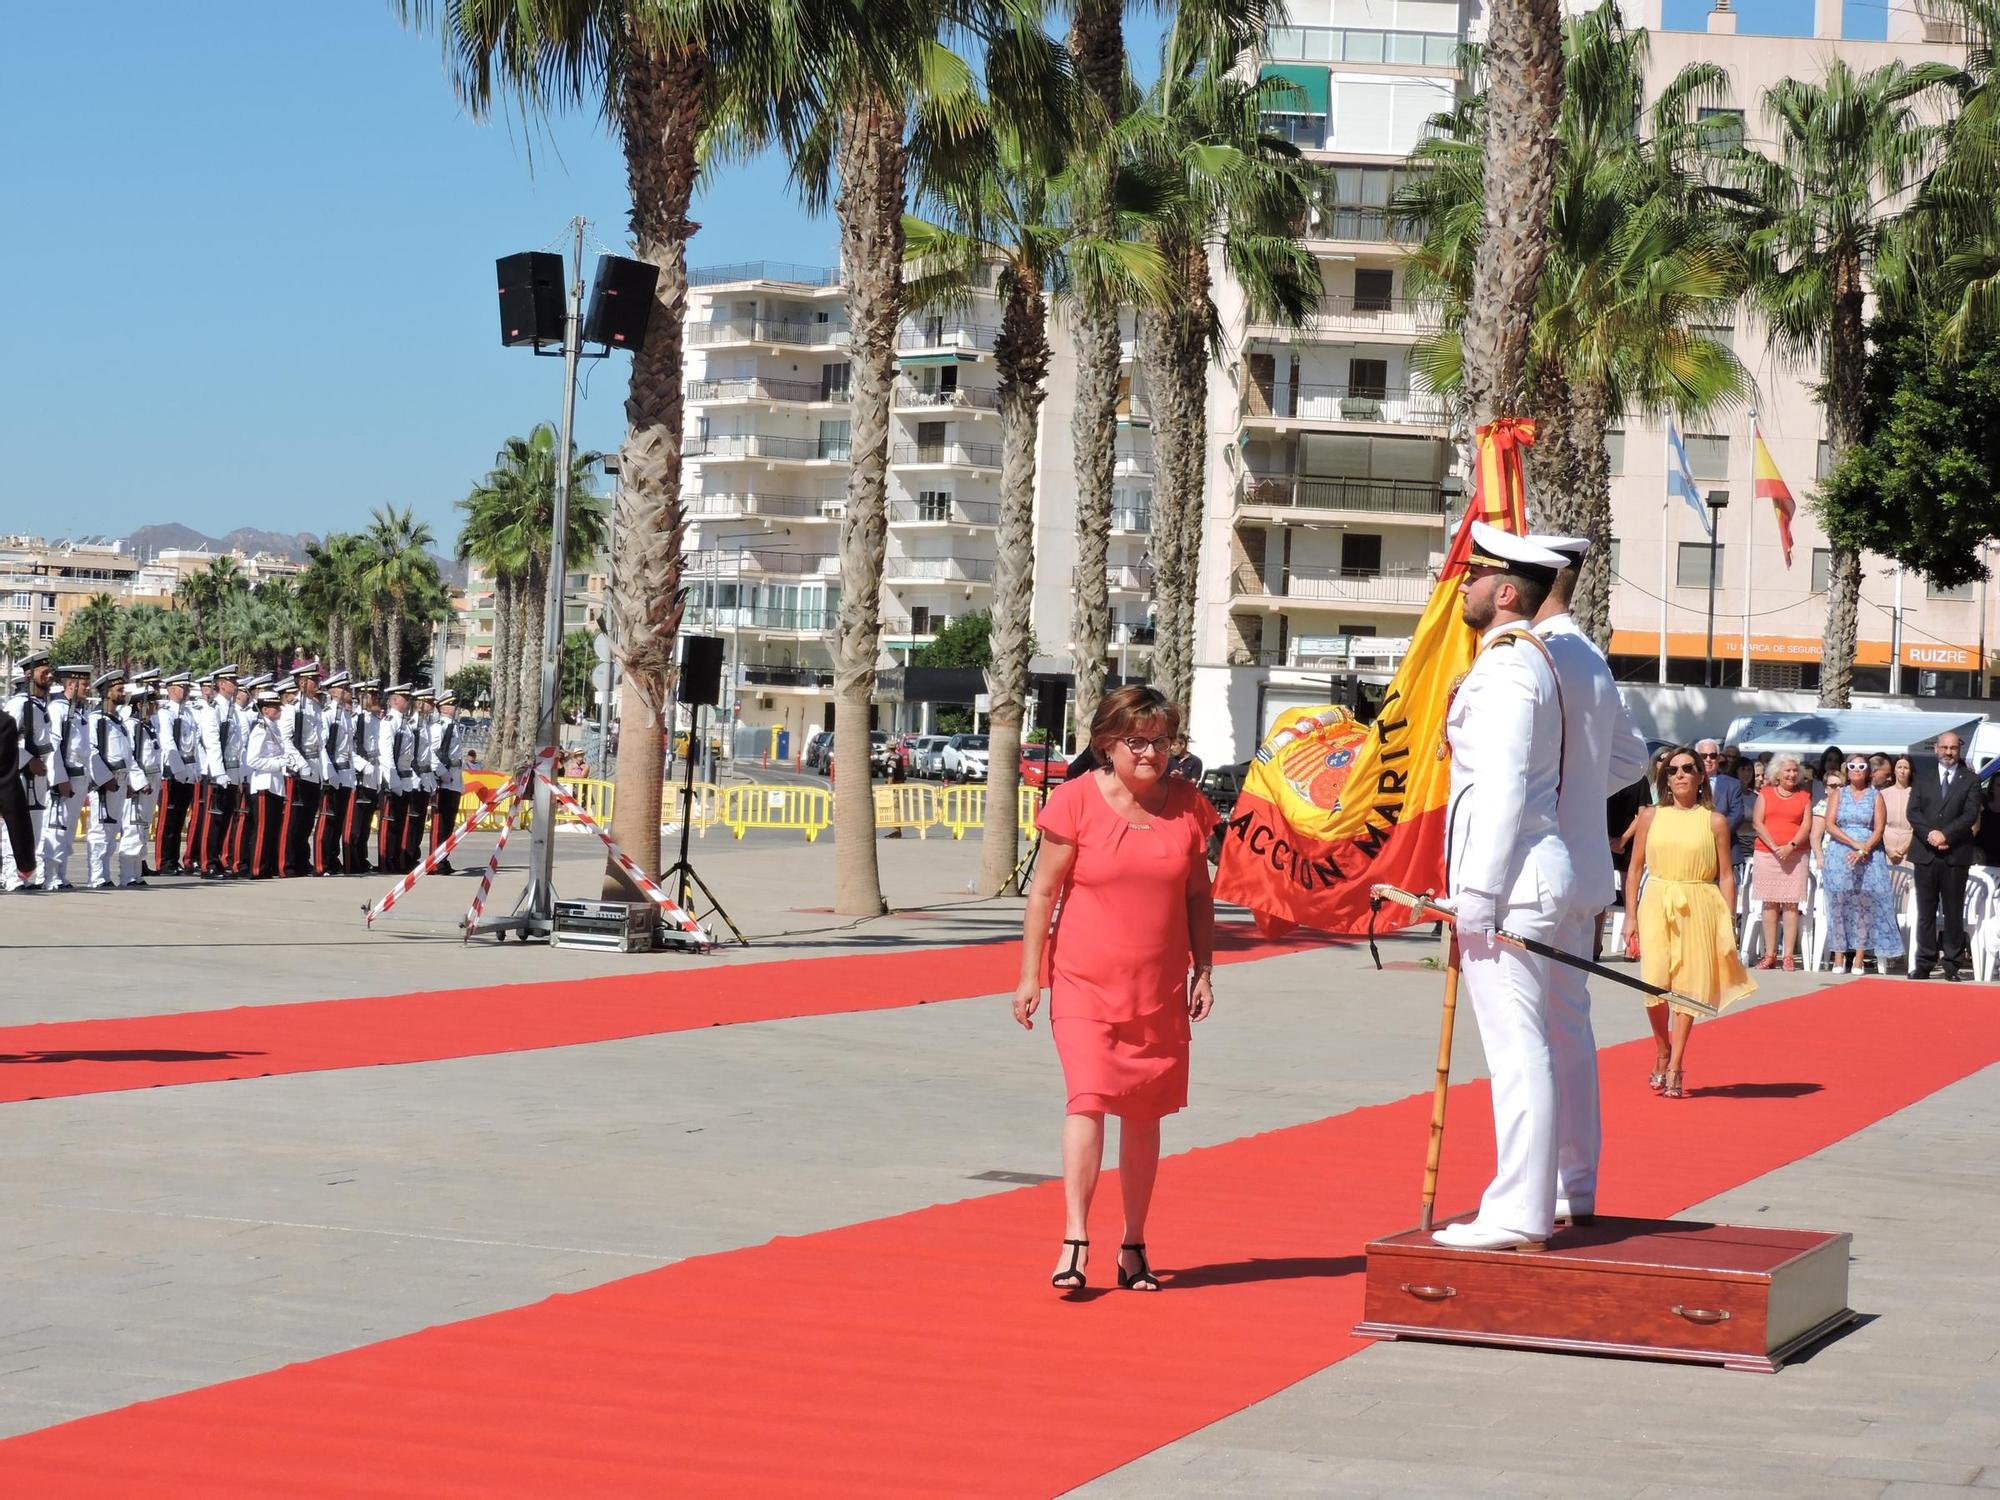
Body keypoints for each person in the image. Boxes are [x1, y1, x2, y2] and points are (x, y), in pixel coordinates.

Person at [1013, 684, 1218, 1294]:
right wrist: (1031, 974)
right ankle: (1075, 1239)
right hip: (1082, 982)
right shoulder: (1074, 801)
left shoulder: (1188, 805)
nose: (1151, 752)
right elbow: (1044, 894)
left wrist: (1203, 969)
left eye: (1161, 741)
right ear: (1108, 743)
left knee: (1145, 1112)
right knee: (1089, 1098)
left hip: (1158, 988)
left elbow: (1198, 896)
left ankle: (1133, 1243)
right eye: (1137, 741)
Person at [1436, 524, 1573, 1253]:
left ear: (1507, 592)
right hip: (1519, 879)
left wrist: (1477, 896)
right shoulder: (1511, 663)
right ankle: (1523, 1202)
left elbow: (1503, 791)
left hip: (1511, 884)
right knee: (1522, 1048)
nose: (1462, 585)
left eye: (1474, 575)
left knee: (1518, 1051)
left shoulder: (1510, 669)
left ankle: (1519, 1211)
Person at [1530, 532, 1649, 1228]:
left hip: (1534, 869)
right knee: (1568, 1029)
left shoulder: (1538, 653)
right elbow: (1632, 756)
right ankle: (1575, 1183)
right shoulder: (1589, 655)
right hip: (1578, 865)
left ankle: (1535, 1190)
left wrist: (1554, 794)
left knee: (1529, 1036)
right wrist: (1577, 797)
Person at [1622, 748, 1755, 1098]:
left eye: (1688, 769)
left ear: (1700, 777)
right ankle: (1662, 1048)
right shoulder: (1651, 816)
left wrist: (1728, 919)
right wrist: (1630, 917)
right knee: (1654, 985)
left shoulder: (1714, 821)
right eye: (1672, 770)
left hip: (1699, 903)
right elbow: (1634, 869)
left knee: (1687, 987)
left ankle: (1677, 1065)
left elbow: (1726, 875)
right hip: (1657, 900)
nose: (1679, 774)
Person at [1819, 753, 1905, 975]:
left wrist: (1864, 848)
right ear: (1847, 770)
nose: (1857, 769)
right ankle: (1838, 955)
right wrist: (1853, 843)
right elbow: (1829, 824)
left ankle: (1858, 957)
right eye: (1852, 766)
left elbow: (1879, 828)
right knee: (1838, 902)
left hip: (1868, 855)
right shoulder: (1838, 794)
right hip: (1840, 852)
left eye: (1861, 766)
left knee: (1863, 905)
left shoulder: (1875, 796)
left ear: (1868, 771)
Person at [1907, 730, 1981, 981]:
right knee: (1926, 912)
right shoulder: (1922, 778)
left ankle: (1952, 966)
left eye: (1953, 748)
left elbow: (1970, 814)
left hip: (1955, 854)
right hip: (1926, 854)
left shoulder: (1970, 780)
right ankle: (1924, 963)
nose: (1948, 752)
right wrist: (1931, 835)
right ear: (1936, 749)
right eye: (1944, 748)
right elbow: (1913, 812)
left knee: (1952, 911)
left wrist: (1946, 835)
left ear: (1959, 750)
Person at [1751, 752, 1814, 969]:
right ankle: (1770, 954)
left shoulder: (1804, 796)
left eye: (1795, 770)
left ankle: (1787, 955)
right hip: (1767, 854)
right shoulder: (1766, 793)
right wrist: (1775, 846)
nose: (1791, 774)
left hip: (1795, 856)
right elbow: (1758, 823)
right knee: (1769, 903)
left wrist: (1791, 846)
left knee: (1790, 904)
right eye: (1787, 770)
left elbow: (1806, 826)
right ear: (1777, 772)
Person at [84, 669, 141, 890]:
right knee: (100, 831)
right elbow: (92, 752)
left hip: (120, 780)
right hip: (105, 783)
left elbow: (126, 753)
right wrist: (105, 779)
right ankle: (97, 877)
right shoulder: (96, 720)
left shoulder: (117, 721)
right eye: (119, 689)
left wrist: (128, 782)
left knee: (112, 831)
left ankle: (105, 875)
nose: (122, 693)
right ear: (107, 693)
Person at [2, 651, 54, 892]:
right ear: (29, 675)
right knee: (13, 826)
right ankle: (12, 877)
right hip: (18, 774)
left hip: (37, 776)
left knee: (33, 828)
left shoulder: (40, 706)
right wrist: (27, 760)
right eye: (44, 672)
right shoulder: (19, 704)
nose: (49, 675)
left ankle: (27, 876)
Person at [40, 663, 94, 890]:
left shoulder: (79, 710)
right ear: (71, 684)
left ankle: (61, 874)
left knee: (68, 829)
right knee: (55, 828)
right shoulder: (58, 709)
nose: (88, 687)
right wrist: (59, 779)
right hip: (65, 779)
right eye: (83, 684)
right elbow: (53, 747)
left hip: (79, 778)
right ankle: (49, 876)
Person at [195, 666, 245, 880]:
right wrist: (218, 772)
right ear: (221, 684)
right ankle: (209, 864)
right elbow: (212, 743)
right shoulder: (212, 709)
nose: (236, 684)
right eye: (231, 681)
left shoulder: (231, 709)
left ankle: (218, 861)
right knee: (213, 820)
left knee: (225, 819)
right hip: (219, 773)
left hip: (231, 772)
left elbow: (238, 744)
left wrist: (238, 774)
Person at [279, 662, 326, 877]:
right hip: (298, 769)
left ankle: (301, 860)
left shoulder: (316, 708)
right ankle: (287, 863)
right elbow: (286, 741)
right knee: (293, 820)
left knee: (307, 819)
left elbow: (320, 742)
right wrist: (300, 764)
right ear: (301, 682)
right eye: (313, 680)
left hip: (314, 767)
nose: (317, 683)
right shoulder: (292, 709)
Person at [155, 672, 201, 875]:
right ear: (172, 690)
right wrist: (178, 769)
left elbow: (194, 744)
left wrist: (194, 770)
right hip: (173, 772)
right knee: (168, 819)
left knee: (180, 817)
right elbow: (168, 743)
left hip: (188, 771)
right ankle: (164, 861)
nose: (187, 691)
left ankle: (174, 860)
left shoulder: (189, 713)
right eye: (183, 687)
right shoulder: (166, 713)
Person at [119, 674, 162, 887]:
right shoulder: (132, 726)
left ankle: (137, 873)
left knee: (142, 828)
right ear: (140, 705)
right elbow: (131, 758)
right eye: (151, 703)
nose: (154, 707)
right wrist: (138, 782)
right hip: (140, 785)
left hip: (151, 784)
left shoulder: (147, 726)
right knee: (133, 828)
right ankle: (128, 875)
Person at [243, 689, 289, 879]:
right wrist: (278, 763)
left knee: (272, 828)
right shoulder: (261, 728)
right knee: (262, 829)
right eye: (275, 706)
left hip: (275, 784)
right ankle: (257, 868)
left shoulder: (274, 727)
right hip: (263, 783)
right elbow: (252, 760)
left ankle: (267, 866)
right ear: (265, 709)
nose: (279, 709)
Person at [429, 690, 466, 872]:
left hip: (454, 778)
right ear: (442, 707)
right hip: (445, 779)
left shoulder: (453, 725)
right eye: (450, 704)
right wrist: (443, 774)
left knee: (449, 824)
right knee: (440, 824)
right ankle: (435, 861)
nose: (454, 707)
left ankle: (443, 858)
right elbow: (433, 754)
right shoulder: (440, 726)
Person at [1697, 739, 1746, 845]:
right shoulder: (1689, 783)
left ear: (1718, 758)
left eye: (1713, 756)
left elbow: (1736, 816)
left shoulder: (1733, 784)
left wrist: (1715, 834)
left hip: (1726, 844)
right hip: (1696, 844)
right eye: (1703, 756)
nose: (1708, 759)